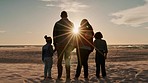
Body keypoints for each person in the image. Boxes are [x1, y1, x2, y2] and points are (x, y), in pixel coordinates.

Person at [53, 11, 75, 80]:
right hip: (68, 45)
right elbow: (73, 35)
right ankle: (68, 76)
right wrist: (73, 45)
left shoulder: (57, 23)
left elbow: (54, 35)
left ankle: (59, 75)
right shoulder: (71, 24)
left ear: (61, 16)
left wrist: (55, 44)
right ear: (67, 16)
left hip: (60, 44)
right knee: (67, 60)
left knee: (59, 61)